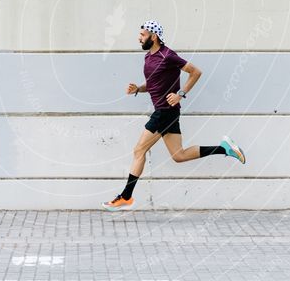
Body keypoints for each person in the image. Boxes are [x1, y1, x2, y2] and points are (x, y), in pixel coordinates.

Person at [102, 20, 246, 211]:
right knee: (179, 155)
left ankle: (126, 197)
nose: (139, 38)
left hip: (164, 112)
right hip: (167, 113)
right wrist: (138, 88)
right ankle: (225, 148)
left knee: (138, 151)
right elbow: (153, 85)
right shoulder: (148, 58)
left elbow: (195, 72)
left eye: (142, 35)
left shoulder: (167, 55)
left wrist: (181, 94)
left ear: (153, 36)